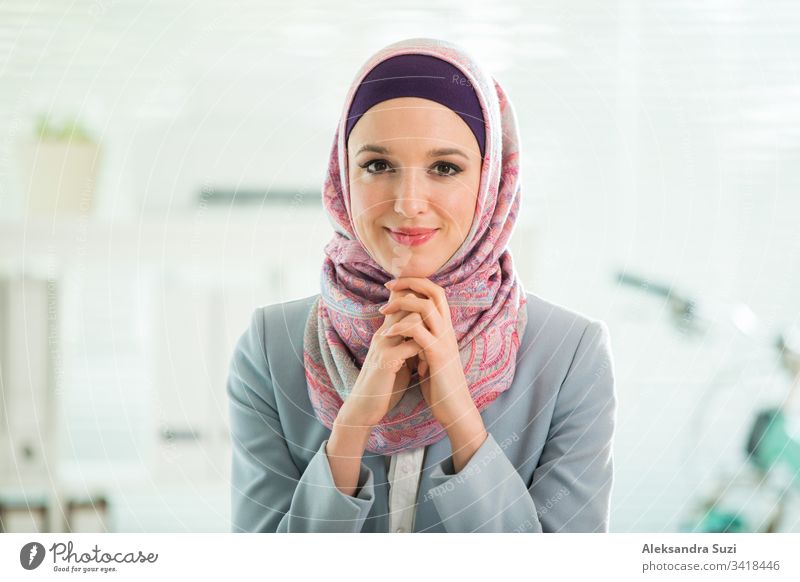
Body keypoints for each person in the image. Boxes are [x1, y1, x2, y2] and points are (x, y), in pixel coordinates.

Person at [227, 37, 617, 533]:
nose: (409, 202)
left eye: (445, 168)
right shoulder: (270, 347)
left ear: (491, 181)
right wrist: (349, 430)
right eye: (378, 165)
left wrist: (461, 418)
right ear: (342, 176)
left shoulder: (570, 356)